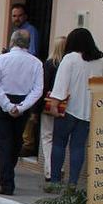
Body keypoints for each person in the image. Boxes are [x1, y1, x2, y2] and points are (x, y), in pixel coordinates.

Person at [47, 27, 103, 189]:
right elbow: (102, 88)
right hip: (87, 112)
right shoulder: (99, 63)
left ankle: (54, 182)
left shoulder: (70, 58)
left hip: (68, 109)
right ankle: (73, 183)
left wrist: (54, 104)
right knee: (78, 147)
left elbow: (61, 84)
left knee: (59, 144)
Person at [0, 29, 43, 196]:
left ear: (12, 42)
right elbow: (37, 89)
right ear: (28, 43)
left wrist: (7, 105)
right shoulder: (36, 63)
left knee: (4, 142)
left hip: (2, 103)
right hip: (22, 103)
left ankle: (6, 182)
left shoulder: (1, 59)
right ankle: (7, 176)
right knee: (16, 141)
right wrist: (21, 107)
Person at [38, 36, 66, 183]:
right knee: (59, 139)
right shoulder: (68, 65)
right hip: (65, 106)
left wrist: (37, 108)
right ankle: (59, 168)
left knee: (47, 137)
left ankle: (49, 170)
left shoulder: (50, 64)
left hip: (49, 105)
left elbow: (44, 86)